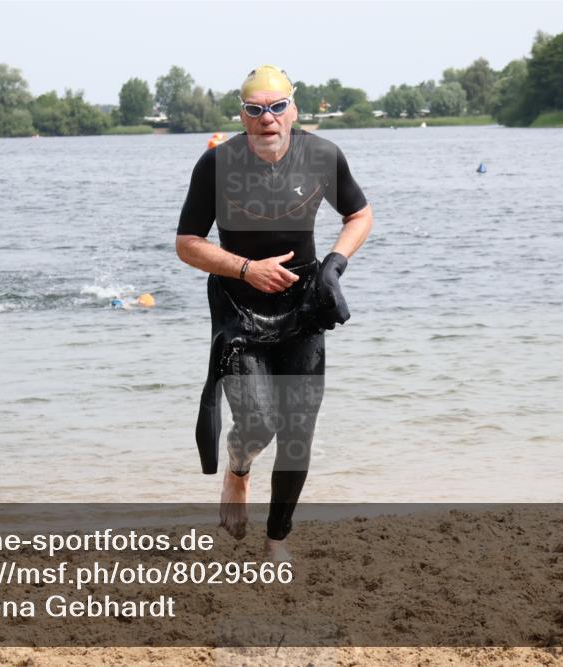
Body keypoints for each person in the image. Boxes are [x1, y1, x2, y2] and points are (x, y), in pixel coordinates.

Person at [176, 65, 373, 561]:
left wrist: (333, 266)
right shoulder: (217, 165)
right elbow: (187, 244)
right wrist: (245, 269)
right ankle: (237, 472)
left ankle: (276, 538)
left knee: (299, 428)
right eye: (255, 109)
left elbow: (359, 215)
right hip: (238, 303)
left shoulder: (322, 155)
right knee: (260, 422)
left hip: (304, 303)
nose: (268, 118)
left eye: (277, 107)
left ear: (294, 110)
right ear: (242, 116)